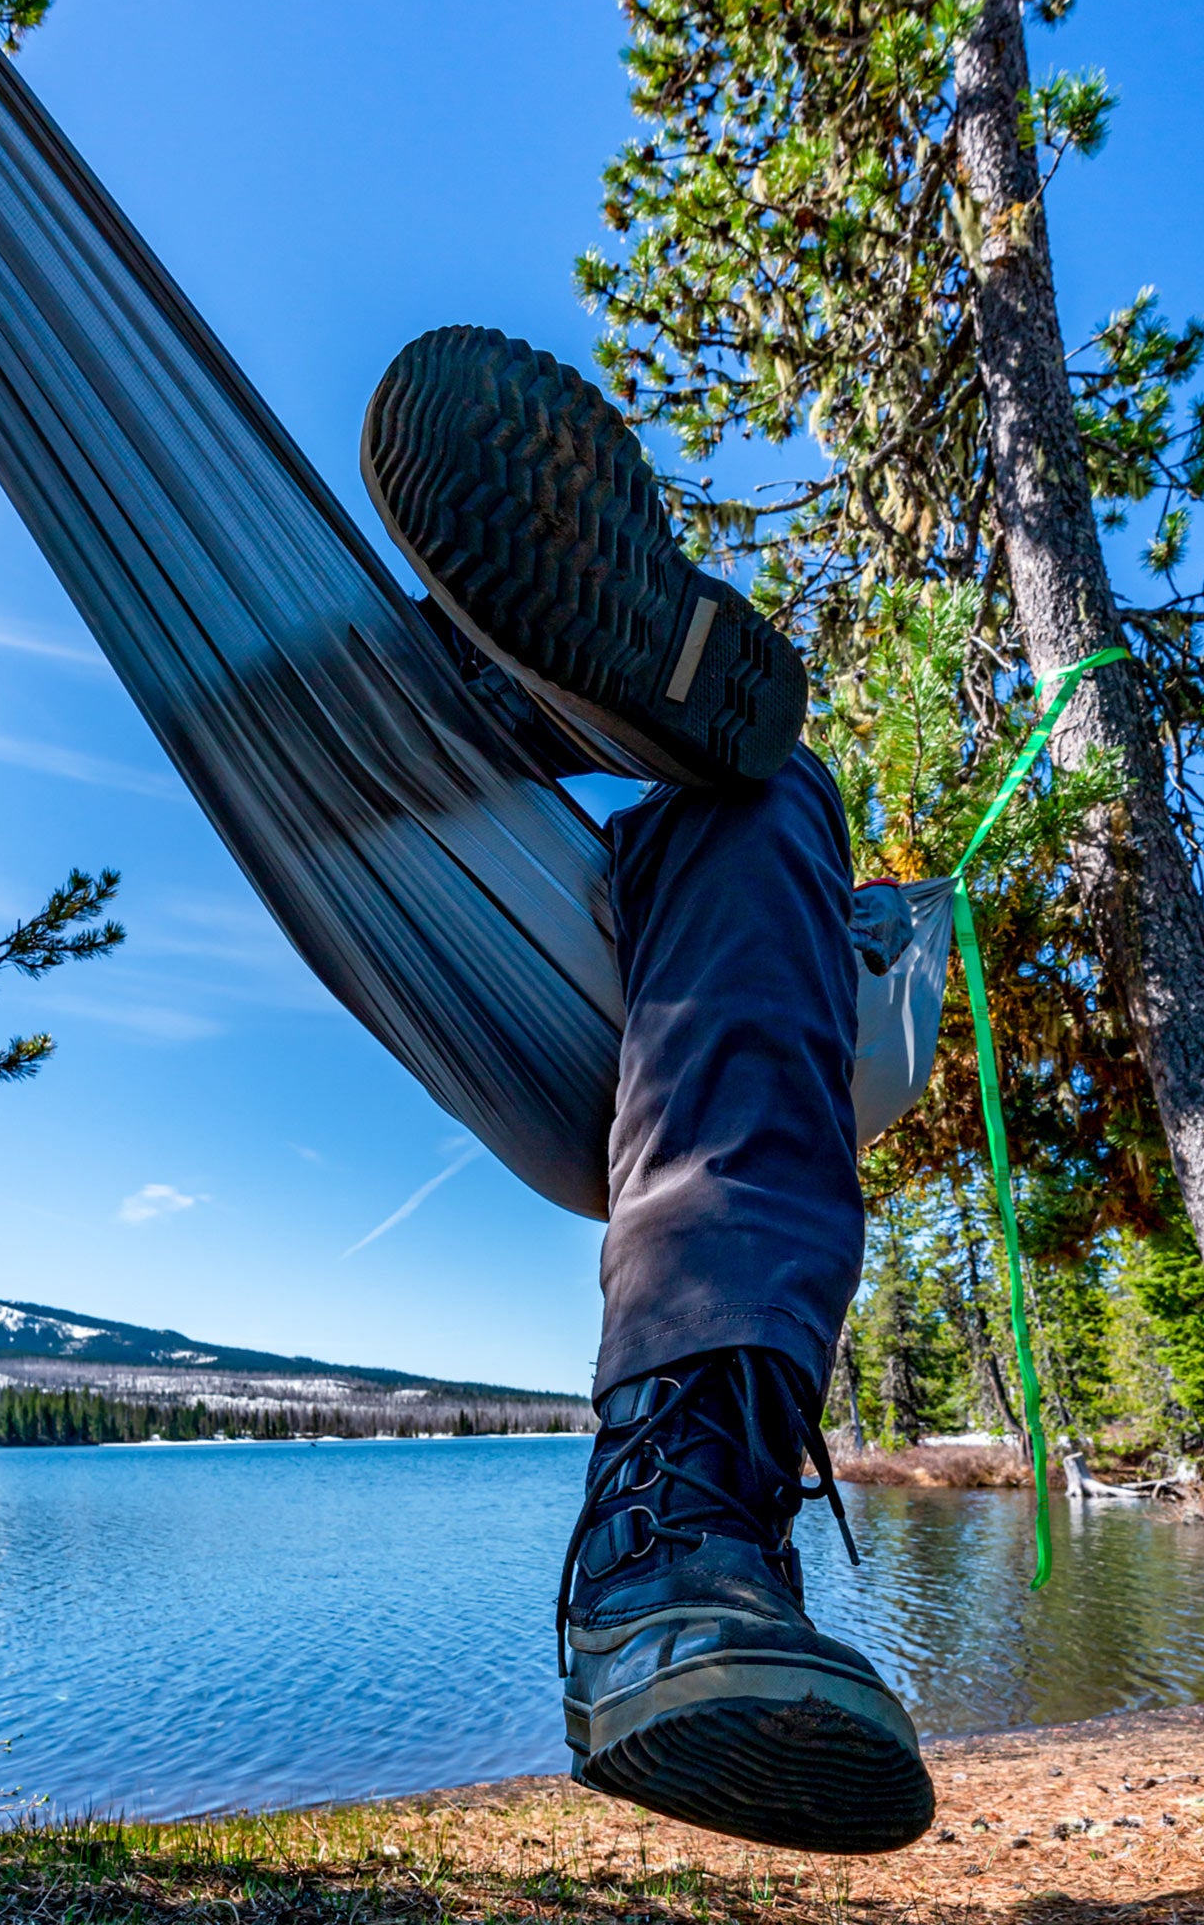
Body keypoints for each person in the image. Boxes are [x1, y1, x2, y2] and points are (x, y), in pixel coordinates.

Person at [361, 327, 936, 1856]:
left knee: (760, 793)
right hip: (631, 944)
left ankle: (678, 1539)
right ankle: (678, 1538)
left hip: (653, 972)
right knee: (765, 789)